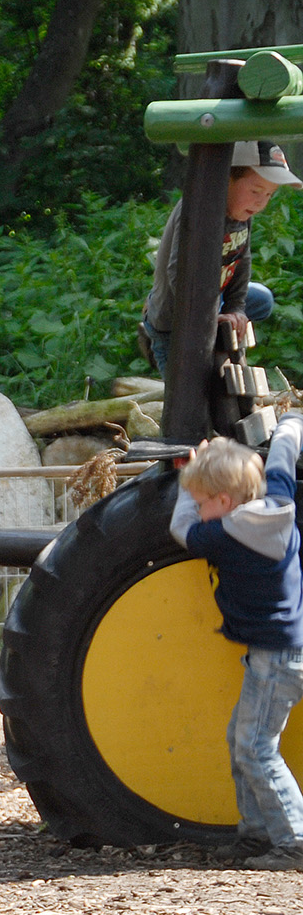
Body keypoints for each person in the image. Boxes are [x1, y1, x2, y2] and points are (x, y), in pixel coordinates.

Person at [170, 424, 303, 871]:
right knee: (241, 740)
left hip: (276, 655)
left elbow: (181, 526)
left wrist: (189, 473)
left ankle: (295, 841)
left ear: (224, 502)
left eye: (205, 500)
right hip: (281, 653)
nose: (201, 508)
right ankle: (257, 833)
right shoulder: (280, 504)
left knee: (255, 746)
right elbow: (282, 461)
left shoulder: (223, 535)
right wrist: (289, 426)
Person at [139, 140, 301, 375]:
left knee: (261, 300)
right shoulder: (198, 210)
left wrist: (236, 308)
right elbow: (178, 273)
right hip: (176, 316)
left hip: (211, 294)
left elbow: (241, 260)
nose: (261, 202)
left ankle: (220, 318)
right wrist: (209, 316)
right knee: (187, 396)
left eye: (269, 194)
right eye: (256, 191)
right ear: (225, 178)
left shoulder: (242, 211)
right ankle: (153, 334)